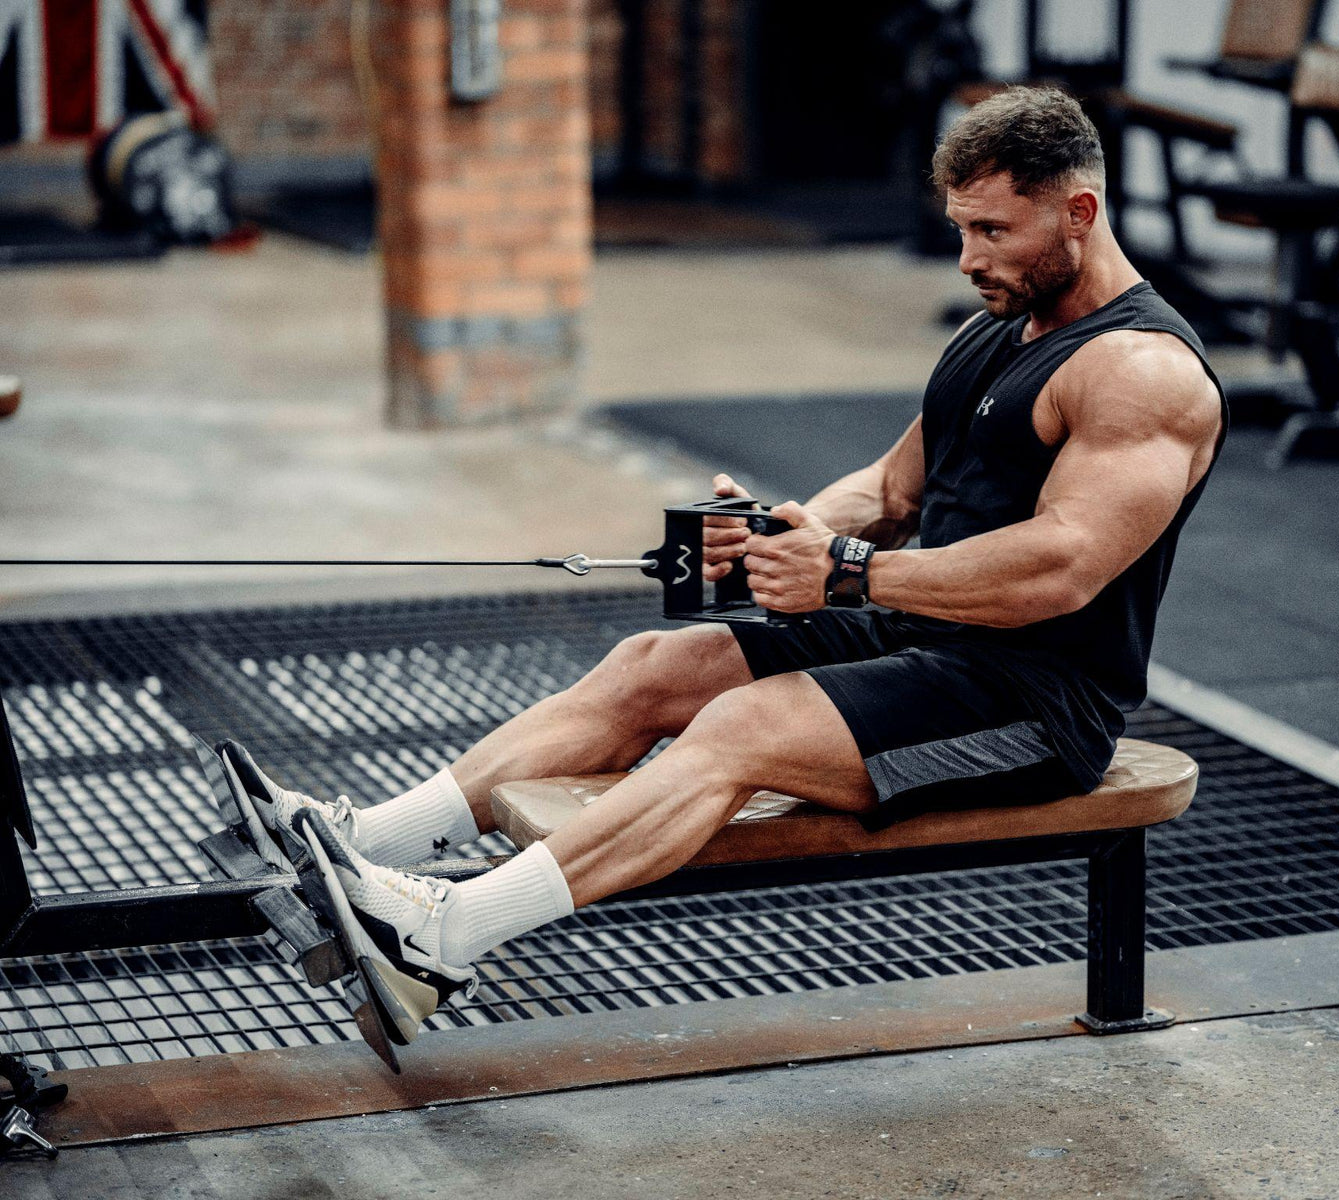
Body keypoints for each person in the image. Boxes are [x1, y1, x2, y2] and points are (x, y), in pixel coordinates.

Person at [225, 85, 1227, 1042]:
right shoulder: (997, 330)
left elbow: (1061, 570)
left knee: (745, 724)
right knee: (657, 666)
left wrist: (846, 575)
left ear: (1079, 213)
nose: (967, 257)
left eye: (992, 232)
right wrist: (780, 537)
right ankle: (368, 844)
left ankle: (444, 938)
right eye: (961, 228)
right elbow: (890, 492)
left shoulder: (1142, 373)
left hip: (1035, 701)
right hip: (928, 638)